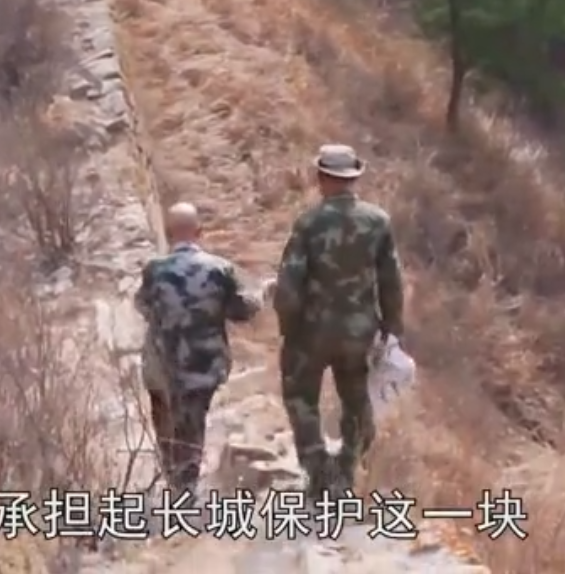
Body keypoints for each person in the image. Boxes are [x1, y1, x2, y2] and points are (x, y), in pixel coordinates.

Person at [272, 144, 405, 496]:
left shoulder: (309, 223)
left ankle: (317, 470)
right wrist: (392, 328)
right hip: (359, 332)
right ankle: (347, 470)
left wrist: (289, 329)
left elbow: (288, 285)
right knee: (358, 400)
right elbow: (391, 281)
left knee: (301, 397)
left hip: (311, 332)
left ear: (321, 178)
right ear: (354, 179)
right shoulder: (378, 222)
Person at [134, 202, 259, 494]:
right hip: (203, 366)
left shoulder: (154, 270)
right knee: (192, 427)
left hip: (162, 367)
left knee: (167, 429)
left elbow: (142, 307)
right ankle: (186, 492)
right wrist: (260, 295)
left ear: (168, 233)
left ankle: (175, 486)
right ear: (199, 232)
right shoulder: (220, 269)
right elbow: (241, 311)